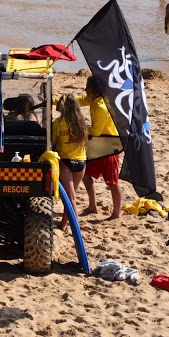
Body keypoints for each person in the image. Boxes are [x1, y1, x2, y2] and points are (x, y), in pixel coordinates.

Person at [78, 76, 121, 220]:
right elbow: (80, 100)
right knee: (86, 175)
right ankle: (92, 206)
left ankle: (115, 213)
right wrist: (57, 101)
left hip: (109, 146)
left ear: (95, 90)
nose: (85, 90)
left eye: (88, 87)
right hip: (98, 145)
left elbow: (95, 131)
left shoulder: (101, 107)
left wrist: (81, 128)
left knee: (112, 182)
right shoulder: (94, 100)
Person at [52, 94, 87, 230]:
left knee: (70, 199)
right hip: (81, 161)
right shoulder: (81, 122)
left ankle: (76, 229)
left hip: (66, 162)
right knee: (71, 196)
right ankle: (63, 225)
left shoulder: (58, 123)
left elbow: (53, 143)